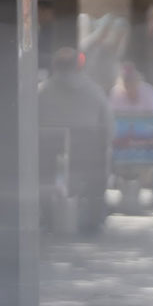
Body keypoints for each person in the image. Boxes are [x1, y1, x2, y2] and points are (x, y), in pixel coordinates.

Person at [38, 48, 115, 234]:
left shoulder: (42, 91)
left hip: (50, 158)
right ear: (79, 66)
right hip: (89, 158)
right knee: (98, 168)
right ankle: (95, 219)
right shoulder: (94, 91)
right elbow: (109, 125)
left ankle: (48, 217)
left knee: (42, 170)